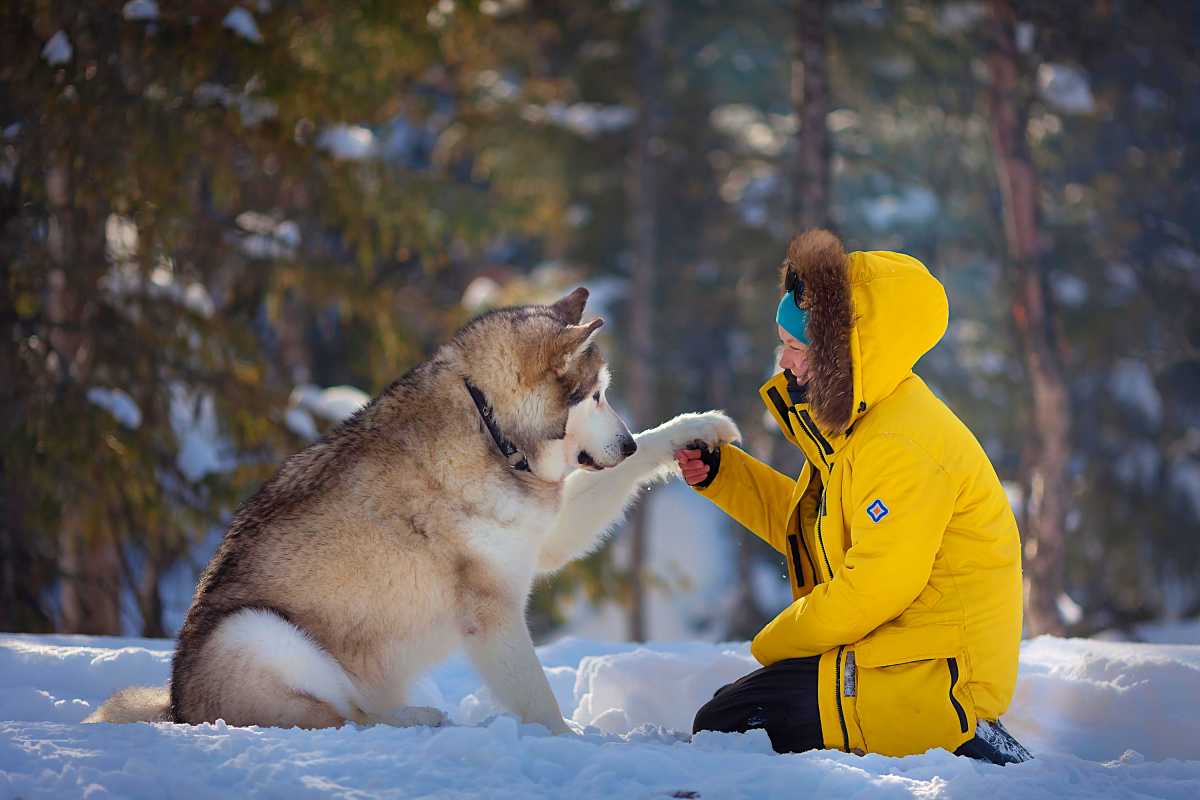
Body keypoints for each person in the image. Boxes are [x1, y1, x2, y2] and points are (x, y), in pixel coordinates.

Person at [677, 229, 1031, 765]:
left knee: (727, 726)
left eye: (797, 348)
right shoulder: (867, 423)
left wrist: (771, 647)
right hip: (894, 656)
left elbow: (872, 588)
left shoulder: (899, 444)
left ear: (843, 353)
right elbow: (820, 533)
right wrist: (725, 476)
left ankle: (971, 739)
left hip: (935, 679)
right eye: (782, 343)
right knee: (731, 717)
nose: (784, 361)